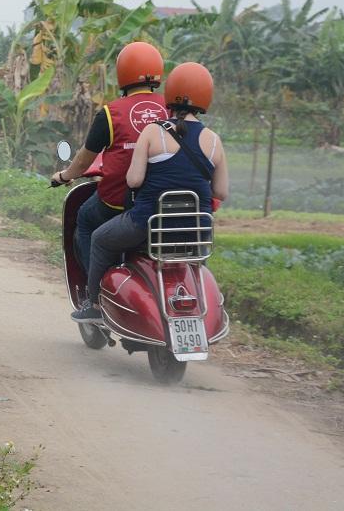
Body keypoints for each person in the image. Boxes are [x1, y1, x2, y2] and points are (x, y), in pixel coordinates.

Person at [71, 62, 229, 322]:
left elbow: (133, 180)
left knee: (99, 238)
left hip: (147, 224)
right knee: (193, 260)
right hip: (195, 229)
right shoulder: (214, 140)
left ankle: (94, 305)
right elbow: (221, 192)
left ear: (170, 94)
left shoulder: (153, 131)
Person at [53, 42, 168, 275]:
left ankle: (93, 289)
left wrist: (64, 176)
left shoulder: (110, 112)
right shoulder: (172, 108)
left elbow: (84, 161)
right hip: (164, 200)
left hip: (119, 202)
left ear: (122, 73)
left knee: (84, 218)